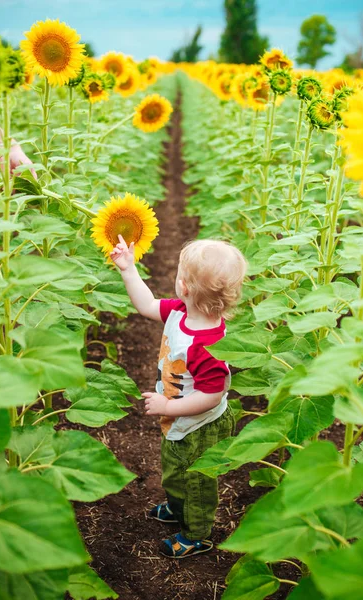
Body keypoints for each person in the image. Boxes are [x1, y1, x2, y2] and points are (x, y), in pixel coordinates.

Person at [110, 235, 247, 559]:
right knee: (173, 468)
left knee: (197, 481)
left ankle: (196, 533)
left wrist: (169, 406)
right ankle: (176, 505)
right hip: (179, 419)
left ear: (183, 286)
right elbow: (145, 305)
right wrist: (128, 270)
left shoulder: (208, 346)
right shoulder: (179, 313)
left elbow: (213, 394)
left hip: (200, 427)